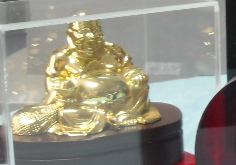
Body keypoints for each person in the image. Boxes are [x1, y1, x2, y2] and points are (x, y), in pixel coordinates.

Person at [11, 18, 160, 137]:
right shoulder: (61, 57)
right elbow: (53, 80)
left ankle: (128, 113)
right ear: (71, 35)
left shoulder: (113, 50)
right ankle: (110, 118)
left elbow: (128, 67)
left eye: (95, 32)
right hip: (84, 102)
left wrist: (134, 73)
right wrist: (66, 87)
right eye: (84, 33)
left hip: (123, 99)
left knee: (140, 84)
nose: (91, 37)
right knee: (68, 113)